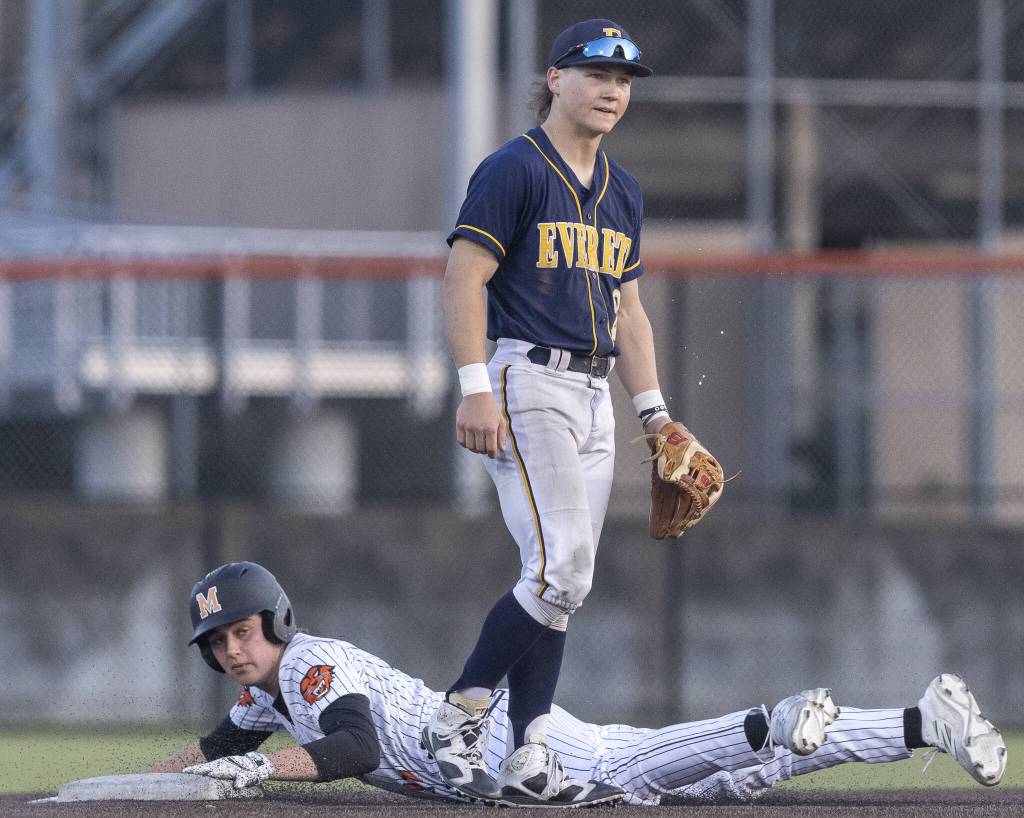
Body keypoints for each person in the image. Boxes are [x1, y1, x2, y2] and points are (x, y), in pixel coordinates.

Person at [430, 17, 719, 805]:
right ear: (555, 80)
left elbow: (629, 312)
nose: (612, 90)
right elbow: (463, 281)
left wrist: (656, 415)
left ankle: (529, 753)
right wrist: (473, 387)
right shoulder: (513, 169)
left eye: (624, 81)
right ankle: (457, 716)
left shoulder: (622, 191)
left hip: (594, 397)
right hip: (526, 381)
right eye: (596, 73)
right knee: (563, 569)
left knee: (560, 584)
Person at [158, 562, 1008, 807]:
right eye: (218, 641)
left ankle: (771, 718)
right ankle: (919, 722)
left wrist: (265, 771)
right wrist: (163, 775)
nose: (232, 650)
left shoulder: (305, 665)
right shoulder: (266, 693)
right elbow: (219, 745)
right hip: (476, 760)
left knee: (635, 764)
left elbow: (354, 749)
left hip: (488, 745)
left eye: (240, 631)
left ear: (273, 622)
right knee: (724, 789)